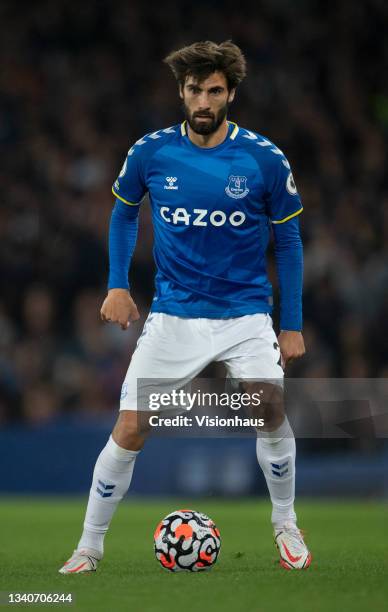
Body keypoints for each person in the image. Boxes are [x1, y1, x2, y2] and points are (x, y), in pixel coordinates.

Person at [59, 40, 311, 574]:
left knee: (271, 410)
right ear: (181, 91)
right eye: (194, 90)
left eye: (214, 91)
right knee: (130, 428)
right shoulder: (151, 152)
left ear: (231, 95)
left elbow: (289, 242)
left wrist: (290, 325)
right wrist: (117, 285)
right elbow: (123, 214)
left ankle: (285, 523)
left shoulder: (264, 159)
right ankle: (88, 547)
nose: (203, 101)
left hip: (245, 315)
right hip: (174, 316)